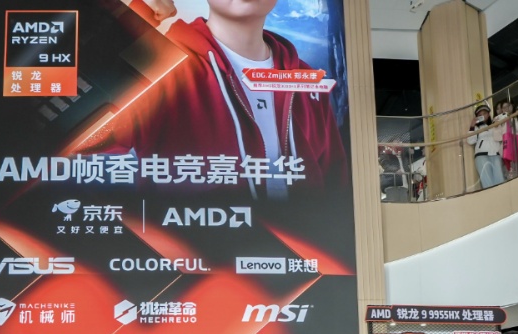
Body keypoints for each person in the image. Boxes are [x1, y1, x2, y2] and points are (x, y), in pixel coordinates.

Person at [98, 0, 349, 197]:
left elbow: (335, 185)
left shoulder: (305, 79)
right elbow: (87, 136)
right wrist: (132, 16)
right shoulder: (161, 64)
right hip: (197, 243)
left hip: (297, 245)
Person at [466, 105, 504, 190]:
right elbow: (470, 141)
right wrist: (472, 125)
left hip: (496, 153)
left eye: (484, 113)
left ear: (488, 114)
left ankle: (501, 196)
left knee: (500, 180)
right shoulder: (476, 127)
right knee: (487, 182)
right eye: (480, 115)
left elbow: (501, 137)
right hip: (481, 155)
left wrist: (497, 126)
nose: (483, 116)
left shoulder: (494, 124)